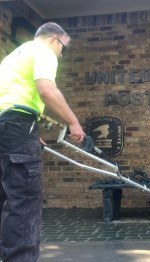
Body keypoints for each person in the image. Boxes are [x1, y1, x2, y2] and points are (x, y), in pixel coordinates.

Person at [0, 22, 85, 261]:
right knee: (24, 200)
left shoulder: (13, 57)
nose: (61, 54)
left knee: (6, 197)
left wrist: (29, 133)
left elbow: (10, 101)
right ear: (54, 39)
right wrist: (73, 123)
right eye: (63, 49)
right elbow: (46, 89)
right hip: (17, 126)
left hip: (8, 126)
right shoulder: (44, 51)